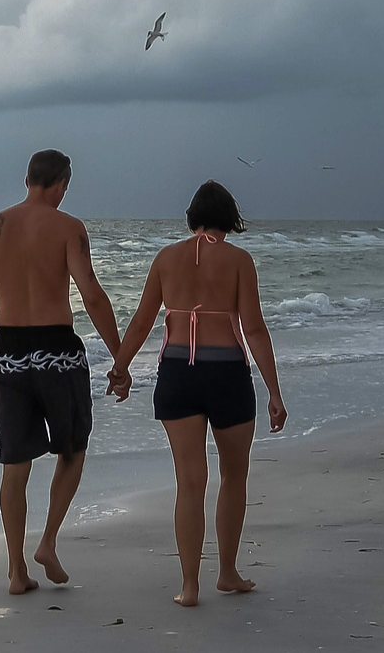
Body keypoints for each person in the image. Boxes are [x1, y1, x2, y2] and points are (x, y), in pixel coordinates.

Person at [106, 180, 288, 607]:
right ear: (230, 219)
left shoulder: (166, 259)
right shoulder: (240, 261)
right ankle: (227, 572)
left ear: (192, 217)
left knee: (189, 482)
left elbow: (141, 321)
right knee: (233, 476)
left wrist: (120, 366)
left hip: (177, 376)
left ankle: (189, 586)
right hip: (227, 376)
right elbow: (255, 328)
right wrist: (274, 391)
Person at [0, 148, 122, 595]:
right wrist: (120, 355)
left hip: (8, 353)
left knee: (14, 465)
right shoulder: (68, 228)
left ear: (27, 180)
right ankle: (49, 541)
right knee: (72, 448)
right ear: (61, 183)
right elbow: (91, 295)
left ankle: (17, 571)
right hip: (58, 351)